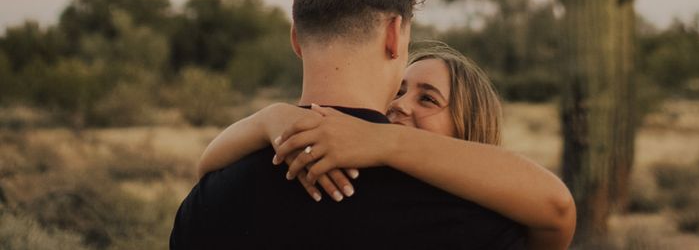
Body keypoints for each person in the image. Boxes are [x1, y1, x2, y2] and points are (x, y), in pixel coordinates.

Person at [169, 0, 529, 248]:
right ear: (394, 35)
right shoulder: (474, 219)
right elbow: (557, 209)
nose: (404, 106)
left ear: (296, 39)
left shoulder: (206, 203)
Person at [197, 42, 575, 250]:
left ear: (470, 128)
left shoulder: (491, 224)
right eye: (399, 90)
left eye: (427, 100)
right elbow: (207, 169)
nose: (400, 104)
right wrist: (268, 119)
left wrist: (387, 139)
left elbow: (557, 210)